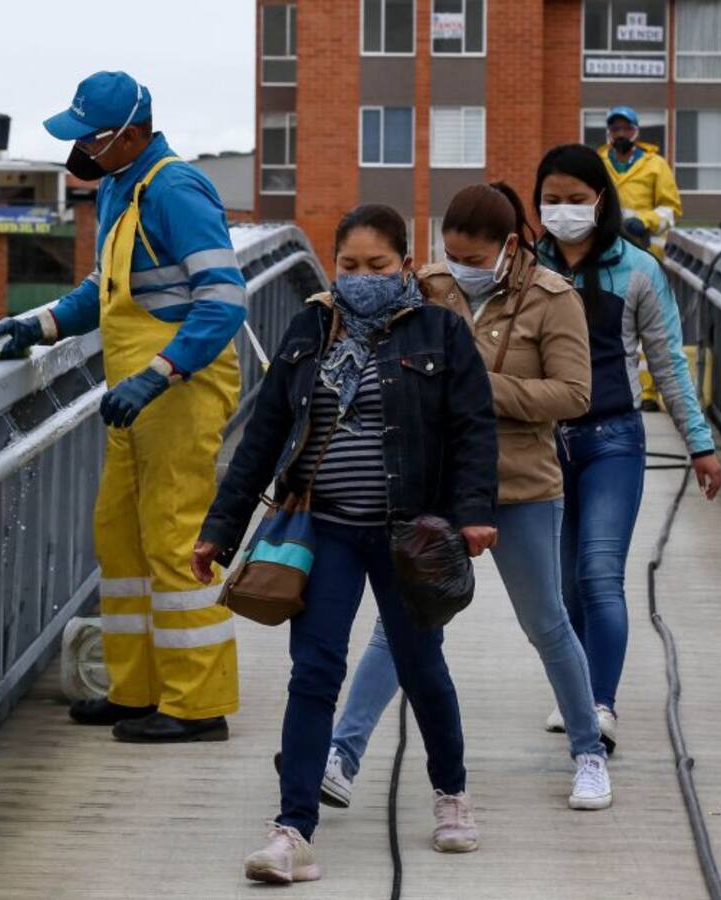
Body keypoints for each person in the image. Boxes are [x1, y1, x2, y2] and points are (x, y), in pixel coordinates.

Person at [192, 204, 498, 884]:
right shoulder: (310, 328)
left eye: (378, 267)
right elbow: (263, 435)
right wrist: (221, 528)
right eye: (349, 267)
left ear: (406, 267)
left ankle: (452, 795)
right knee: (314, 674)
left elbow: (475, 430)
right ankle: (292, 830)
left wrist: (472, 513)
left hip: (408, 534)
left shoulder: (442, 333)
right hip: (323, 528)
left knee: (421, 668)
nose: (362, 278)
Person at [321, 182, 615, 815]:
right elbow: (362, 327)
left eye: (474, 258)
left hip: (519, 484)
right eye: (450, 254)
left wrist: (477, 385)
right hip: (433, 485)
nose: (460, 267)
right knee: (397, 631)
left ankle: (589, 753)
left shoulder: (553, 299)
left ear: (509, 248)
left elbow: (572, 395)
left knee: (547, 625)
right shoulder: (427, 286)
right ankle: (342, 756)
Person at [0, 71, 245, 743]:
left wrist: (159, 373)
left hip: (177, 389)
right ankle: (136, 690)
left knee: (174, 542)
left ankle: (196, 705)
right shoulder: (119, 189)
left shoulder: (176, 190)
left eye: (89, 140)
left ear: (128, 135)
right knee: (121, 541)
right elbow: (104, 291)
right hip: (134, 396)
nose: (81, 152)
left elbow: (223, 300)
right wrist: (37, 327)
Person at [535, 144, 721, 751]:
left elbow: (667, 364)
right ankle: (575, 691)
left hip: (613, 439)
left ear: (601, 200)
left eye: (576, 199)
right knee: (563, 588)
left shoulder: (638, 269)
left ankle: (599, 705)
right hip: (543, 446)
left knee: (599, 574)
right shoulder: (526, 269)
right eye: (552, 200)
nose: (563, 211)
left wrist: (699, 444)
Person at [598, 106, 682, 259]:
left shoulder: (656, 164)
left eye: (627, 129)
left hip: (645, 250)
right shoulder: (598, 163)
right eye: (616, 129)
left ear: (636, 131)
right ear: (609, 133)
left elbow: (671, 210)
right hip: (605, 248)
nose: (621, 134)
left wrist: (644, 221)